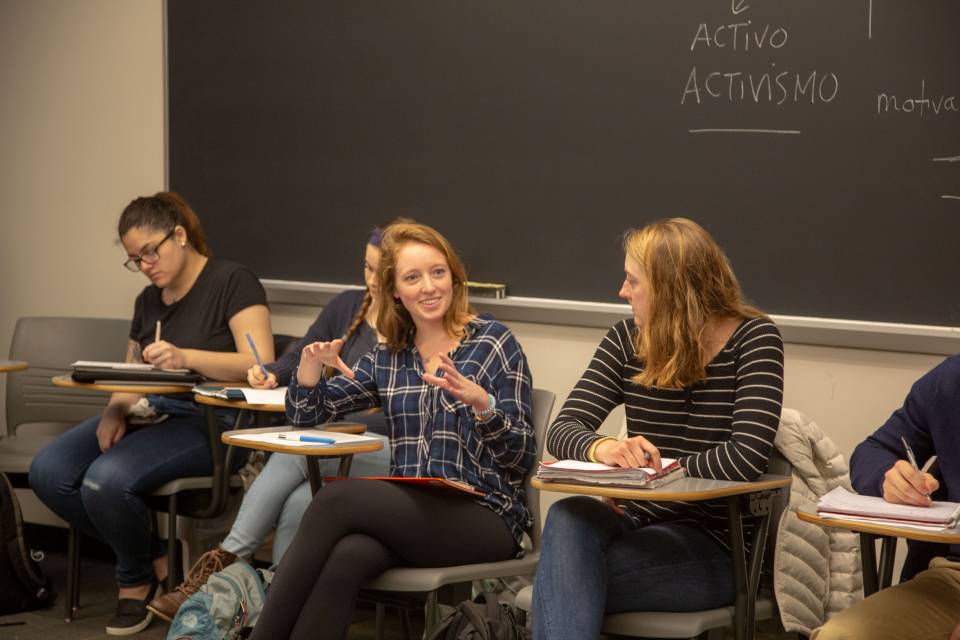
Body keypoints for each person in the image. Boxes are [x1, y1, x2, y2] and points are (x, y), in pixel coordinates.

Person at [248, 221, 535, 640]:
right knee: (348, 555)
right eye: (412, 277)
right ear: (395, 291)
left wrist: (482, 405)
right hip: (415, 511)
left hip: (486, 516)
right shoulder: (391, 356)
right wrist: (309, 370)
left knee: (336, 497)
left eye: (438, 272)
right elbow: (309, 414)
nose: (429, 287)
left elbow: (521, 455)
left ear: (455, 277)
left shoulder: (492, 342)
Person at [29, 192, 273, 636]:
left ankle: (133, 583)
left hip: (212, 421)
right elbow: (130, 371)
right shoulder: (148, 300)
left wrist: (186, 357)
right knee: (49, 471)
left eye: (149, 252)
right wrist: (114, 409)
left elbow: (259, 363)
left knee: (106, 479)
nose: (145, 265)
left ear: (179, 235)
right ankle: (156, 557)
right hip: (153, 411)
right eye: (134, 259)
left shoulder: (233, 281)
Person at [530, 218, 784, 640]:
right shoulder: (626, 339)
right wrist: (604, 448)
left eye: (633, 281)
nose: (622, 291)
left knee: (563, 580)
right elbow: (562, 430)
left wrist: (656, 470)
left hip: (715, 549)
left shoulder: (754, 340)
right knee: (568, 514)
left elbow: (746, 456)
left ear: (671, 288)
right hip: (636, 526)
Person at [146, 225, 394, 622]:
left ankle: (226, 560)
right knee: (300, 502)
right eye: (366, 267)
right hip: (340, 444)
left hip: (389, 453)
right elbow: (302, 353)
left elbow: (396, 408)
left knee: (300, 448)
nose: (370, 279)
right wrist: (274, 374)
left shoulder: (414, 321)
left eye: (381, 270)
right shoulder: (349, 306)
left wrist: (351, 412)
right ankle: (274, 612)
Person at [812, 356, 960, 640]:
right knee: (840, 635)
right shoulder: (951, 379)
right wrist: (888, 477)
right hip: (951, 577)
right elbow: (873, 449)